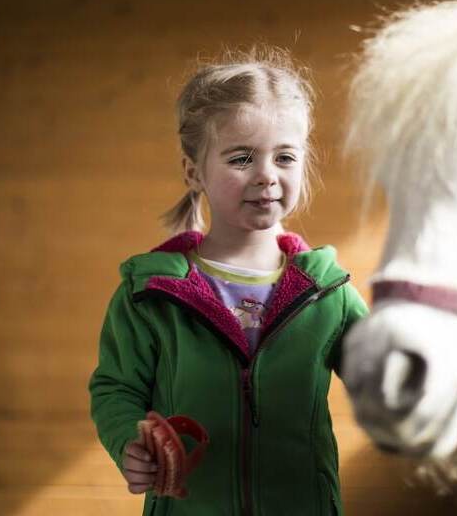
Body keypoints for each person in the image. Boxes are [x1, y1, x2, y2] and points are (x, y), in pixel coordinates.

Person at [89, 48, 367, 516]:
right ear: (193, 171)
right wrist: (130, 444)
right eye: (241, 158)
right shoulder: (149, 294)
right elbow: (116, 390)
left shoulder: (329, 291)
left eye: (285, 156)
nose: (266, 175)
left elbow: (382, 378)